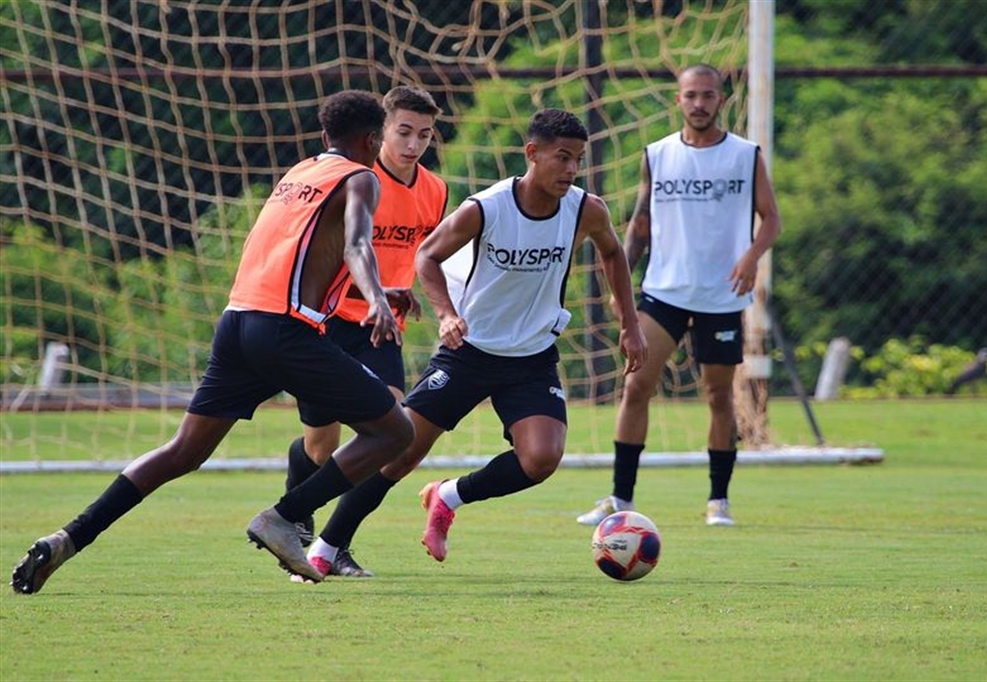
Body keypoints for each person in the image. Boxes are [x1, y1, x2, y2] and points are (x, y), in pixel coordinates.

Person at [10, 90, 415, 593]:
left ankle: (68, 537)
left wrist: (375, 290)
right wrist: (376, 296)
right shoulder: (362, 177)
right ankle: (286, 516)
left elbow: (302, 260)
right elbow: (356, 243)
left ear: (323, 135)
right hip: (286, 331)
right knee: (395, 433)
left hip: (238, 321)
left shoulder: (299, 175)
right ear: (372, 139)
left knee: (183, 451)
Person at [394, 107, 646, 565]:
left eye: (578, 160)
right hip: (469, 349)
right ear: (532, 153)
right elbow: (426, 257)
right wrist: (447, 315)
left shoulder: (586, 208)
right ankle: (324, 540)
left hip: (530, 356)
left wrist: (629, 324)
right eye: (562, 157)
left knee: (541, 459)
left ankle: (448, 497)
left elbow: (613, 253)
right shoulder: (487, 206)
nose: (571, 169)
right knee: (398, 450)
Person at [576, 63, 782, 528]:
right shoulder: (658, 153)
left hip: (721, 296)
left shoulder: (745, 155)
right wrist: (622, 284)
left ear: (721, 100)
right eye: (691, 95)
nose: (699, 103)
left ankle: (718, 501)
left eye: (708, 95)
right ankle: (620, 497)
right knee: (635, 386)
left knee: (718, 397)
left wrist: (751, 258)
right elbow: (641, 223)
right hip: (664, 292)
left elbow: (771, 219)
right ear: (678, 99)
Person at [283, 85, 448, 579]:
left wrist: (423, 296)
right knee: (320, 448)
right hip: (328, 321)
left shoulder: (435, 190)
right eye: (403, 132)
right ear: (379, 133)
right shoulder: (353, 179)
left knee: (391, 431)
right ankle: (296, 518)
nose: (413, 144)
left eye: (424, 134)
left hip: (381, 327)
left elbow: (426, 252)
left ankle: (335, 547)